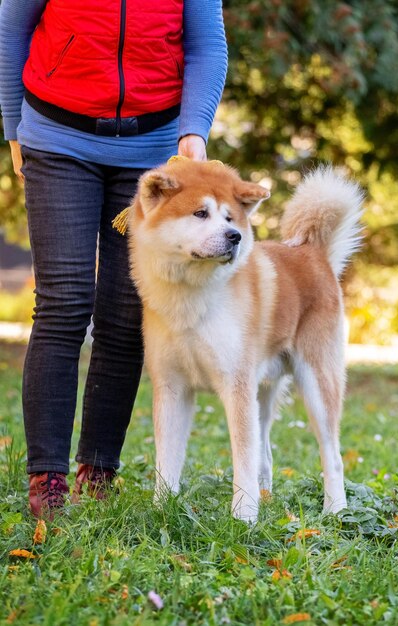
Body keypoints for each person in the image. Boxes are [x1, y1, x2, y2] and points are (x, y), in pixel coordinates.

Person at [0, 0, 228, 518]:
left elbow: (206, 44)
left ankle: (98, 470)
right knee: (64, 301)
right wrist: (14, 125)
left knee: (125, 314)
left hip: (151, 149)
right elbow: (11, 26)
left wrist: (193, 128)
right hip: (57, 138)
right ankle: (47, 480)